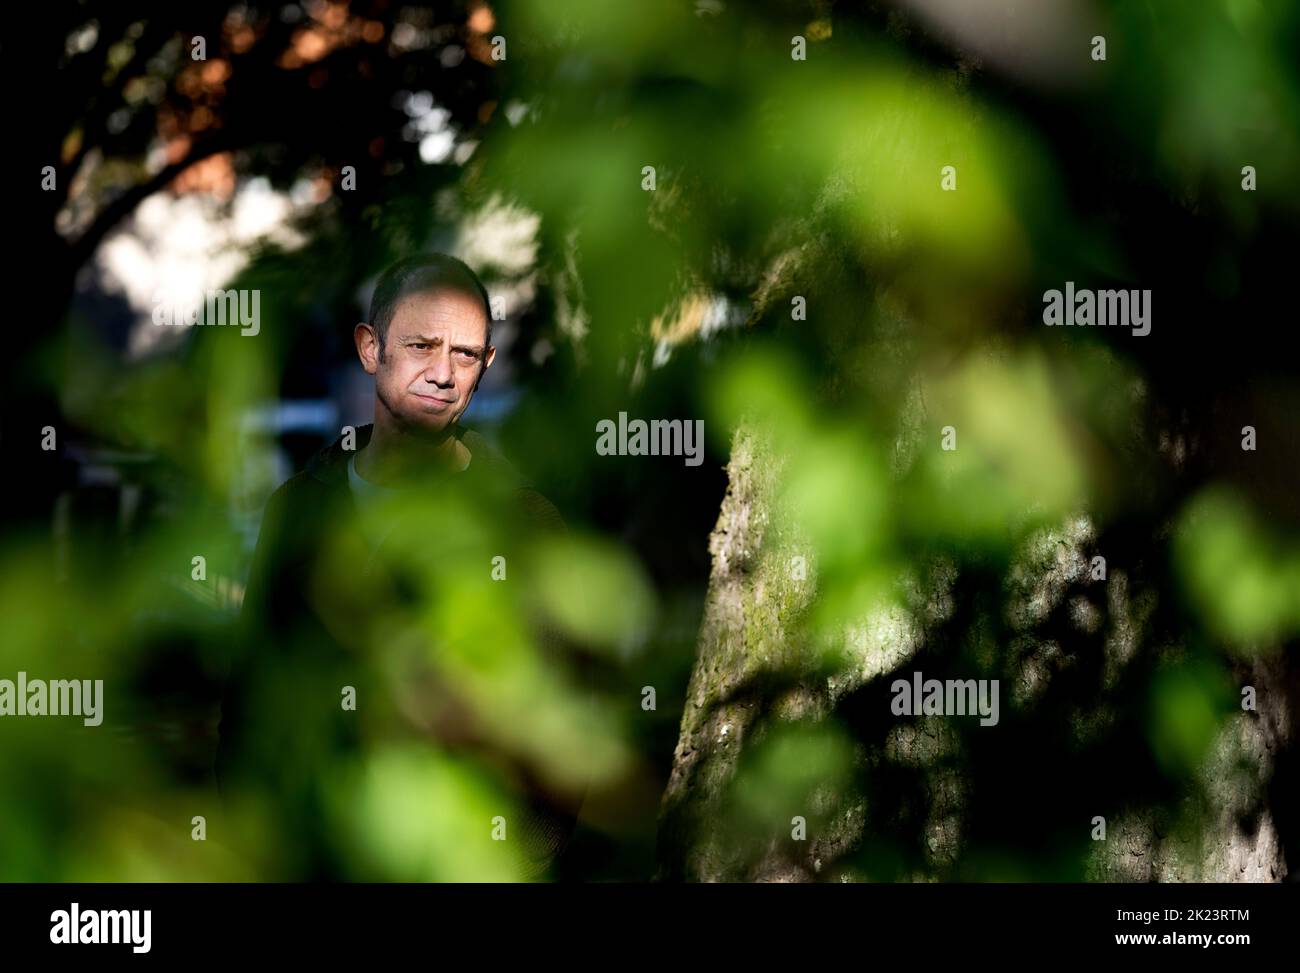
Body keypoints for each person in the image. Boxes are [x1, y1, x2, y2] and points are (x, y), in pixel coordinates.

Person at [216, 254, 586, 880]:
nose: (442, 373)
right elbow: (253, 700)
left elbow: (561, 738)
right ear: (371, 348)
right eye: (420, 345)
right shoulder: (302, 508)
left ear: (485, 367)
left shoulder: (522, 525)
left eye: (465, 355)